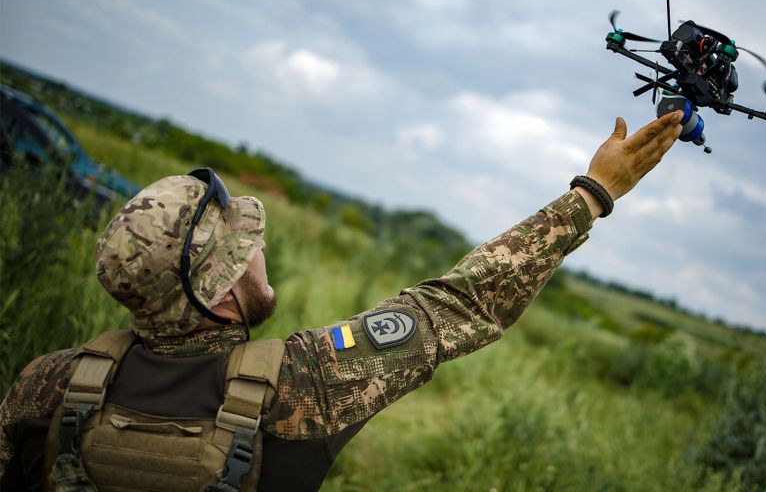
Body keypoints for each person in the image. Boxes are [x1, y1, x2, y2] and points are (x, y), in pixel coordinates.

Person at [0, 112, 684, 490]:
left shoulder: (45, 385)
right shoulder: (303, 388)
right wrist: (592, 194)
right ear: (222, 291)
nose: (261, 250)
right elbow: (461, 304)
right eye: (246, 248)